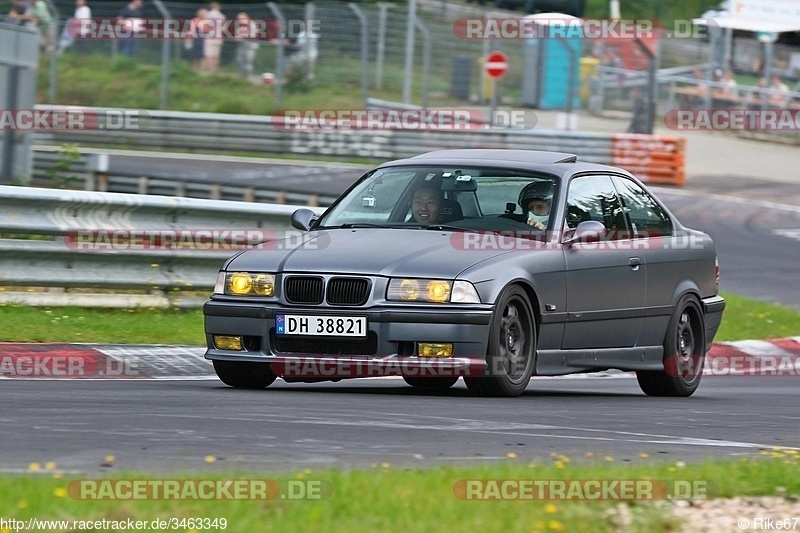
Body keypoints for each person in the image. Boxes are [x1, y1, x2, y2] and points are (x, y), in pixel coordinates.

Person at [234, 12, 259, 79]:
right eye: (238, 18)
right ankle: (240, 75)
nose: (239, 20)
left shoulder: (252, 24)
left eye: (241, 18)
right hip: (242, 45)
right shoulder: (241, 25)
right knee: (239, 60)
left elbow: (253, 35)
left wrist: (242, 35)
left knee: (247, 61)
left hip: (250, 45)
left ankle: (247, 76)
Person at [204, 1, 225, 74]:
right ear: (218, 7)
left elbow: (206, 26)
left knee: (209, 54)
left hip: (210, 36)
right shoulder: (222, 16)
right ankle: (215, 70)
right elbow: (224, 28)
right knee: (216, 55)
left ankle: (210, 70)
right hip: (218, 37)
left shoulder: (208, 14)